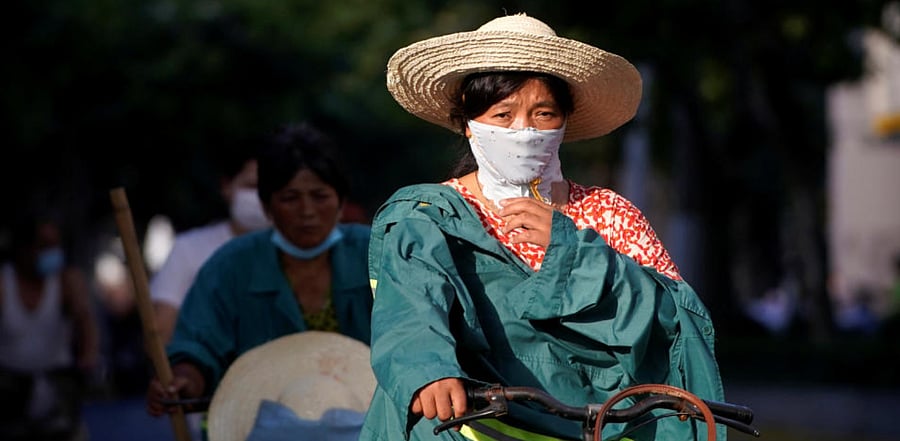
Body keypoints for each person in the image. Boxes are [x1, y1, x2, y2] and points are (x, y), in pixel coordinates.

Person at [362, 13, 725, 441]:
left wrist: (574, 251)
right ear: (467, 124)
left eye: (544, 113)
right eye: (503, 114)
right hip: (472, 426)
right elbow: (410, 307)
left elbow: (676, 322)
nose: (523, 131)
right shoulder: (427, 215)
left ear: (565, 122)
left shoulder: (611, 214)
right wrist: (427, 372)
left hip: (601, 424)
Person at [145, 121, 373, 431]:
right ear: (267, 206)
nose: (307, 211)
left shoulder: (376, 253)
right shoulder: (230, 266)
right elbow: (199, 346)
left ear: (341, 202)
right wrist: (184, 380)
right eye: (290, 198)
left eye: (319, 196)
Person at [150, 145, 271, 345]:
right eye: (251, 186)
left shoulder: (299, 252)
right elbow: (161, 332)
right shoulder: (188, 249)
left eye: (268, 188)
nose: (259, 196)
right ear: (226, 186)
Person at [0, 210, 100, 440]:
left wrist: (87, 359)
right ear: (23, 249)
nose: (52, 252)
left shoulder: (66, 281)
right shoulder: (4, 283)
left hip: (58, 385)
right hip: (8, 390)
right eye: (44, 245)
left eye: (56, 245)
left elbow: (86, 325)